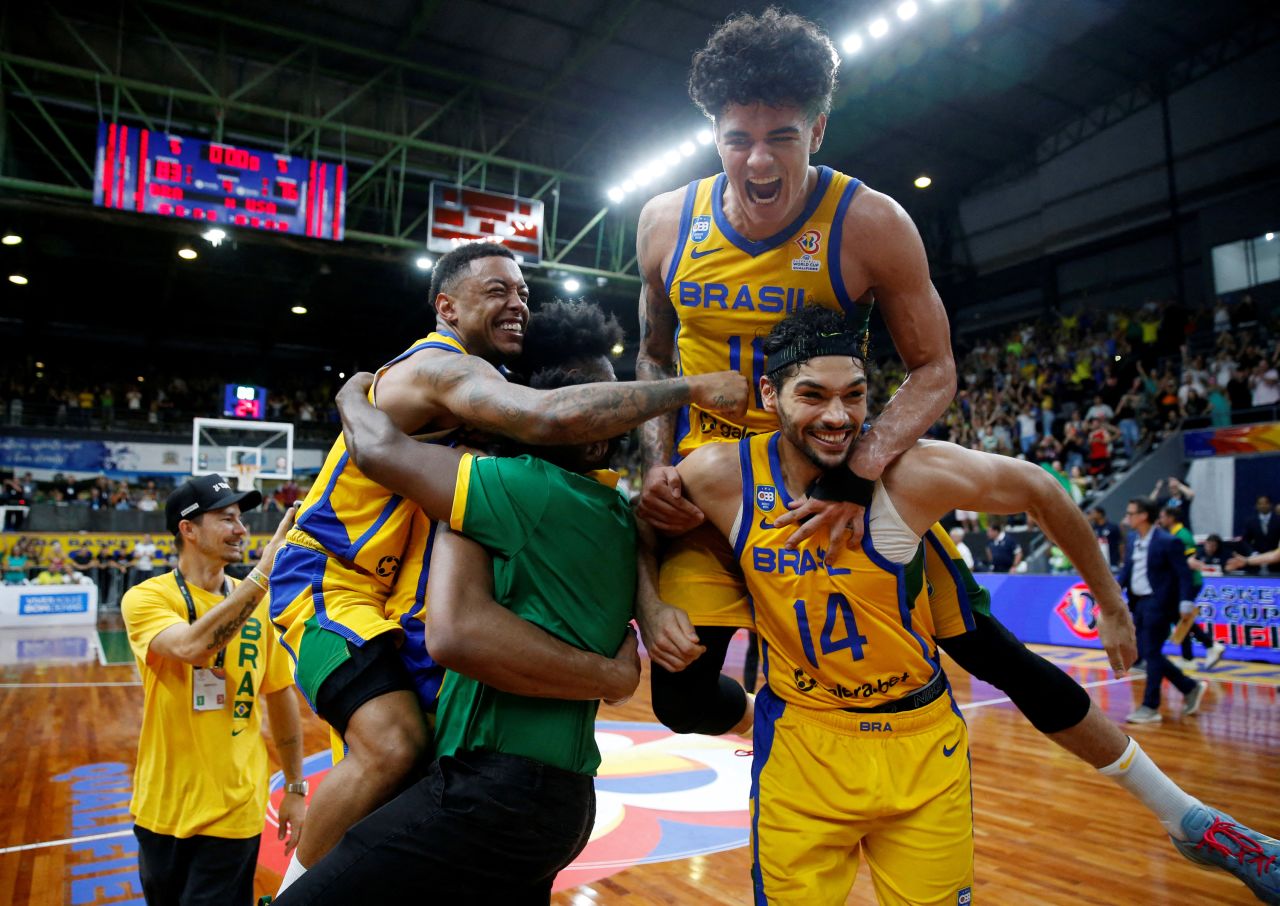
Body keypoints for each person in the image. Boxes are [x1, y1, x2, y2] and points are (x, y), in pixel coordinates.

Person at [625, 15, 1276, 892]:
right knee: (676, 697)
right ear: (715, 133)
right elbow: (654, 359)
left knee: (990, 651)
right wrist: (656, 461)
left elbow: (936, 370)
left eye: (783, 135)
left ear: (817, 129)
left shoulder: (871, 222)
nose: (760, 161)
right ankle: (779, 708)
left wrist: (860, 476)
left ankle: (1189, 818)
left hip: (832, 482)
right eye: (739, 138)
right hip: (714, 495)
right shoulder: (665, 222)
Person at [665, 308, 1280, 904]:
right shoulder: (719, 475)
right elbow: (645, 520)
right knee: (679, 699)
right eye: (813, 396)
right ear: (769, 395)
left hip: (916, 722)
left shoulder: (911, 473)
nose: (838, 415)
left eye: (855, 395)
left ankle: (1186, 817)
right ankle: (1185, 816)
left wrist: (1111, 603)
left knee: (1008, 663)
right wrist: (650, 591)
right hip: (804, 735)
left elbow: (1040, 487)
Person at [269, 243, 748, 889]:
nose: (517, 302)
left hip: (396, 598)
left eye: (523, 291)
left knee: (418, 758)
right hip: (332, 577)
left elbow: (621, 512)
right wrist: (688, 388)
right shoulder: (443, 368)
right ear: (446, 306)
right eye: (497, 290)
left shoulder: (498, 419)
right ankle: (299, 888)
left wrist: (652, 605)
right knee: (394, 744)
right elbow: (544, 417)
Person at [276, 347, 641, 902]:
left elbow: (378, 450)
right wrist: (617, 669)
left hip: (497, 789)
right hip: (562, 800)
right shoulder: (618, 514)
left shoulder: (522, 487)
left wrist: (352, 392)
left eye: (565, 409)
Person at [121, 475, 306, 906]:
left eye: (241, 519)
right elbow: (191, 647)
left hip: (235, 806)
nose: (242, 530)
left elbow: (279, 694)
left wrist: (295, 788)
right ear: (188, 529)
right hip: (161, 805)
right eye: (227, 518)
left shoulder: (256, 600)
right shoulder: (147, 598)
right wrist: (263, 574)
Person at [1119, 498, 1209, 724]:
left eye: (1131, 513)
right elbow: (1127, 571)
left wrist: (1185, 601)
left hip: (1159, 604)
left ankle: (1150, 707)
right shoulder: (1132, 539)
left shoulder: (1168, 541)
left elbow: (1183, 574)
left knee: (1151, 652)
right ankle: (1189, 687)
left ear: (1143, 516)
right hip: (1137, 603)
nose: (1127, 517)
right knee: (1148, 653)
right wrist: (1111, 591)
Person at [1157, 506, 1226, 670]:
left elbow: (1188, 562)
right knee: (1180, 618)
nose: (1160, 520)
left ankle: (1210, 645)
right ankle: (1189, 656)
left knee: (1182, 617)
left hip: (1189, 582)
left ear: (1171, 518)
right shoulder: (1174, 534)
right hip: (1180, 583)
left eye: (1162, 516)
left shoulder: (1183, 535)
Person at [1241, 495, 1280, 574]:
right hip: (1256, 559)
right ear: (1256, 506)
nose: (1263, 506)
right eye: (1260, 503)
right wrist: (1252, 553)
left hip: (1276, 562)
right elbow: (1245, 540)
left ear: (1270, 505)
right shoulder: (1250, 522)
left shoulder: (1278, 520)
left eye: (1265, 503)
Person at [1089, 505, 1124, 569]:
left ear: (1100, 514)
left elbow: (1120, 543)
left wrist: (1122, 559)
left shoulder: (1113, 527)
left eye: (1093, 513)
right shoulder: (1092, 528)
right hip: (1098, 563)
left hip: (1113, 562)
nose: (1091, 515)